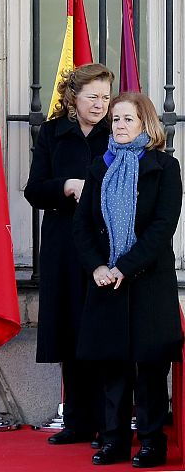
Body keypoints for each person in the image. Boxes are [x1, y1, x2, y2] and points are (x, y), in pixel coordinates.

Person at [74, 92, 183, 468]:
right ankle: (114, 441)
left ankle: (152, 442)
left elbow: (161, 228)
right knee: (113, 368)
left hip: (148, 282)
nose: (119, 125)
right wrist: (97, 268)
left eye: (127, 119)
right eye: (115, 119)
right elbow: (82, 228)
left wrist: (124, 266)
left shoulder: (165, 168)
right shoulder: (99, 167)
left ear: (145, 124)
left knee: (150, 369)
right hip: (106, 284)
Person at [24, 63, 114, 446]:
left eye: (106, 97)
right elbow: (34, 190)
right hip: (64, 244)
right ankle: (77, 422)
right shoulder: (52, 134)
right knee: (72, 331)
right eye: (92, 96)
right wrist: (65, 186)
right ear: (73, 98)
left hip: (108, 243)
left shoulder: (117, 132)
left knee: (103, 332)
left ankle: (109, 423)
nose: (100, 104)